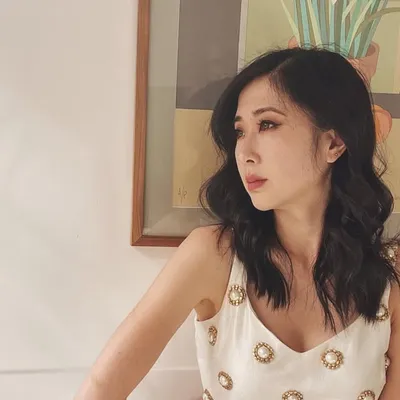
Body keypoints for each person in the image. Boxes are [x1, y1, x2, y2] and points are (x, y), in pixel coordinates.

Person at [75, 47, 400, 400]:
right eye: (240, 132)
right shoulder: (214, 256)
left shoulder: (390, 274)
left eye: (267, 124)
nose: (244, 152)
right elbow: (101, 388)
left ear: (333, 143)